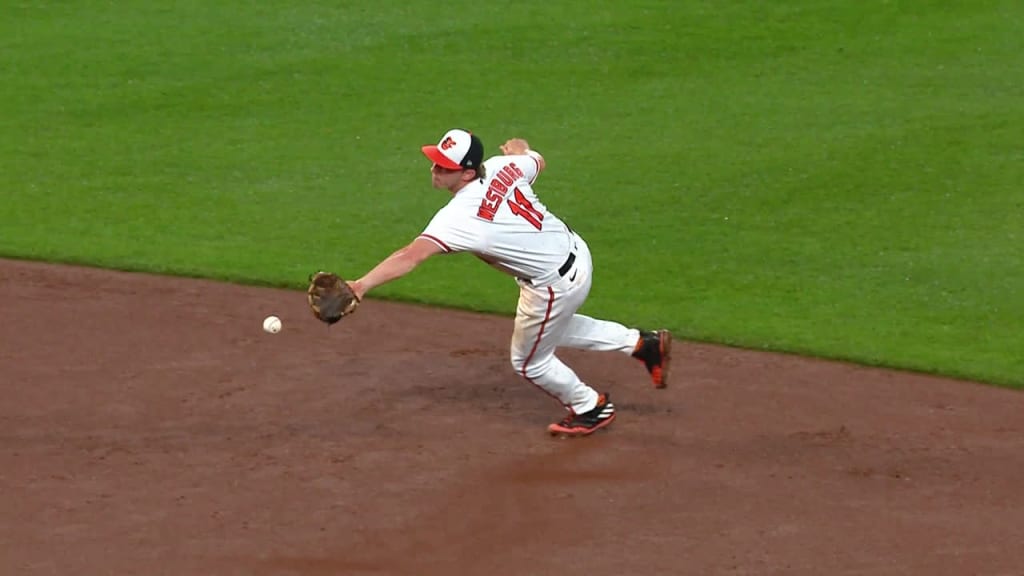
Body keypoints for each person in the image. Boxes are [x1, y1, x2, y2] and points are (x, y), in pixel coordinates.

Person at [346, 129, 671, 436]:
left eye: (445, 167)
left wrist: (361, 285)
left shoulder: (459, 217)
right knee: (552, 329)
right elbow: (537, 161)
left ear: (468, 174)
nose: (435, 170)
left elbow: (410, 256)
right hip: (577, 254)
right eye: (435, 162)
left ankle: (590, 407)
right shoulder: (503, 166)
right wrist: (523, 151)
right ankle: (643, 344)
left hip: (551, 286)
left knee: (529, 361)